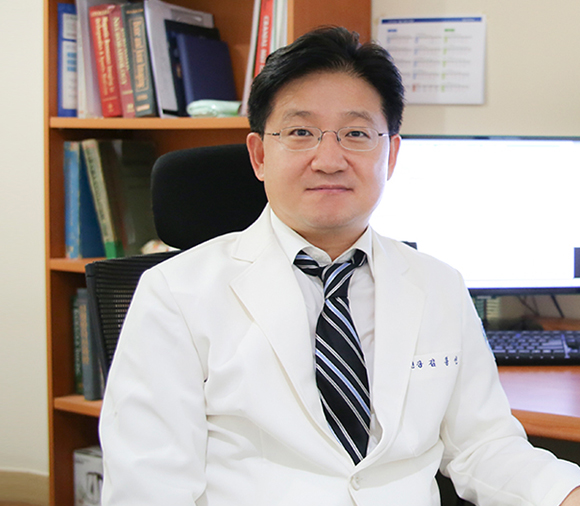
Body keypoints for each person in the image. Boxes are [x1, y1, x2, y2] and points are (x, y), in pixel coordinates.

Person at [99, 26, 580, 505]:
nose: (329, 159)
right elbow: (150, 487)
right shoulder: (175, 293)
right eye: (300, 132)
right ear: (260, 155)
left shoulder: (439, 285)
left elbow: (483, 446)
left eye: (356, 134)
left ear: (391, 154)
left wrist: (566, 493)